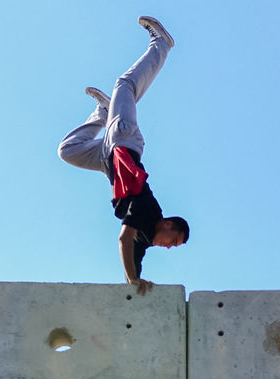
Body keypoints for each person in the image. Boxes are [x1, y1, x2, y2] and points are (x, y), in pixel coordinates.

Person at [58, 15, 190, 295]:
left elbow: (134, 256)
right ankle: (162, 44)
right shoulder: (146, 213)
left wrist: (136, 280)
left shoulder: (145, 236)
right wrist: (132, 280)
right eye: (173, 240)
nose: (168, 247)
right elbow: (124, 240)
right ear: (167, 224)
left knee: (67, 151)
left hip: (107, 161)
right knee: (125, 84)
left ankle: (103, 113)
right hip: (124, 143)